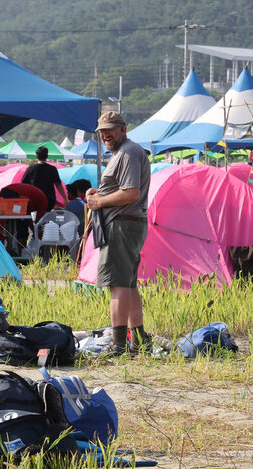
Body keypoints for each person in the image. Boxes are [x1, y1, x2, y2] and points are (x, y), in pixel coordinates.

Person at [86, 111, 150, 355]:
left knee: (117, 284)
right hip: (129, 223)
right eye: (102, 131)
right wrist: (99, 194)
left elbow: (131, 192)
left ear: (123, 128)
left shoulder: (127, 153)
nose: (105, 135)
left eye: (110, 129)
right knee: (128, 285)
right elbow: (123, 189)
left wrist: (100, 202)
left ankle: (119, 345)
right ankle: (138, 341)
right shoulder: (126, 152)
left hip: (121, 224)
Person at [21, 146, 67, 211]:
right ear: (47, 156)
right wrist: (64, 198)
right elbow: (58, 185)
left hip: (34, 200)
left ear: (36, 156)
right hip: (49, 201)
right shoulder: (52, 169)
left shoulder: (31, 168)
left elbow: (22, 184)